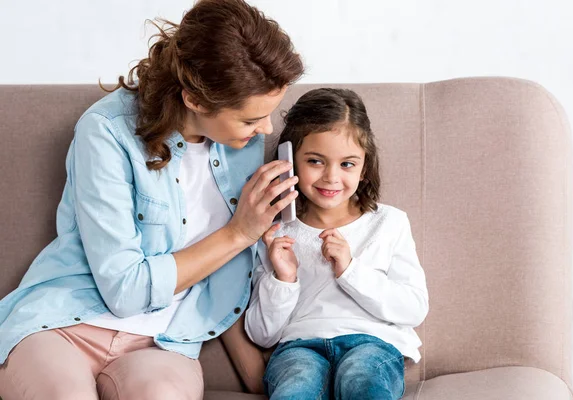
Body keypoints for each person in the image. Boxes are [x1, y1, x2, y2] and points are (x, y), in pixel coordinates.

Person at [0, 0, 303, 399]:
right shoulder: (106, 132)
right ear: (195, 99)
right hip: (64, 324)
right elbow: (124, 290)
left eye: (268, 114)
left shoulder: (242, 142)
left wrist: (261, 380)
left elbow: (222, 278)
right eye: (250, 119)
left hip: (164, 341)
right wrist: (238, 233)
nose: (266, 129)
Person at [244, 88, 429, 400]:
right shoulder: (274, 231)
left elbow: (413, 309)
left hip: (371, 342)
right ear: (289, 162)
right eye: (315, 161)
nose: (331, 177)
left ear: (365, 167)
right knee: (295, 387)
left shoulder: (389, 223)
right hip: (300, 346)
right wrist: (283, 279)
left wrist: (351, 269)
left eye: (347, 164)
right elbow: (262, 335)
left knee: (361, 377)